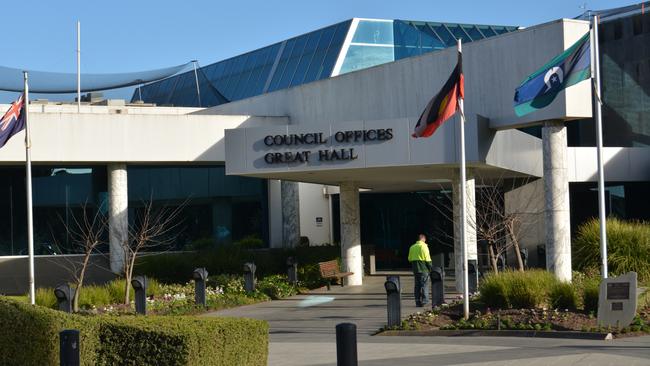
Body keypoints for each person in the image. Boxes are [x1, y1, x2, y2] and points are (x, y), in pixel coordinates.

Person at [407, 234, 432, 307]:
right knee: (424, 285)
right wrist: (430, 268)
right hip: (424, 269)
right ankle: (425, 301)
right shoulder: (424, 247)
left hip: (415, 270)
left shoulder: (412, 247)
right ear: (423, 239)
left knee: (417, 286)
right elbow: (427, 259)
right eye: (425, 240)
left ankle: (417, 301)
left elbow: (409, 259)